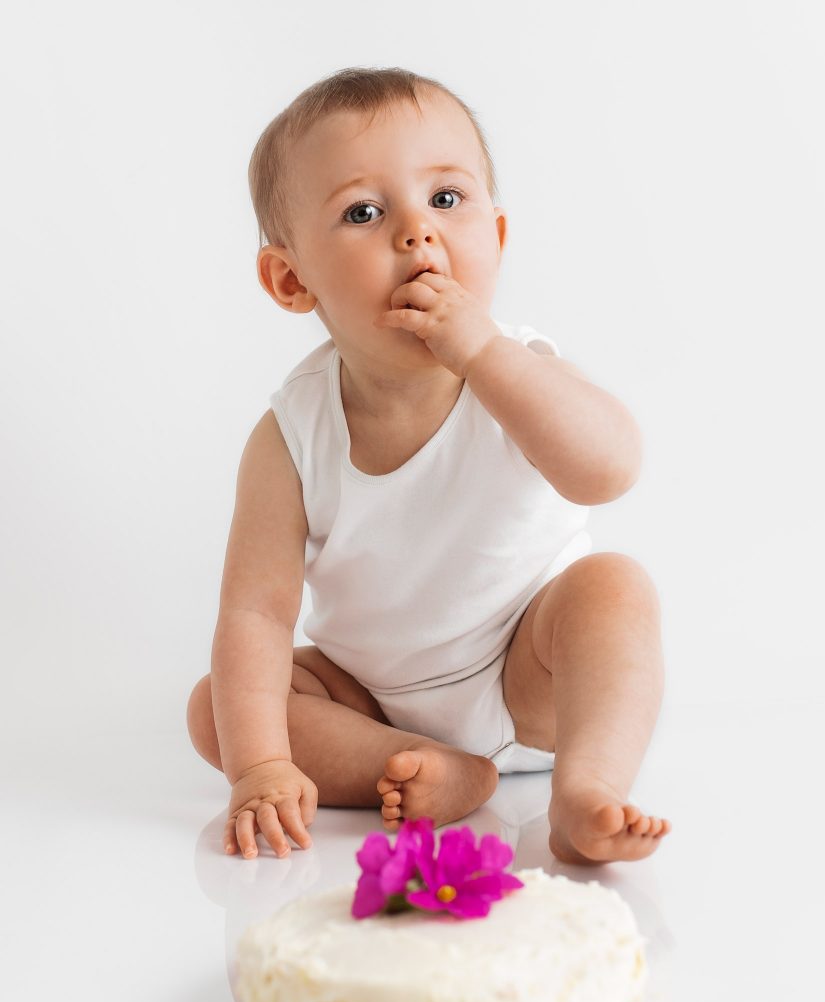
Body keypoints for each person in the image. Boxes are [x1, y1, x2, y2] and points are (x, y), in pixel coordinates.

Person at [186, 66, 670, 866]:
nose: (418, 233)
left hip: (533, 677)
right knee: (220, 711)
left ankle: (587, 788)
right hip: (372, 701)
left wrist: (484, 353)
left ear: (498, 236)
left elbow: (608, 470)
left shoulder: (522, 369)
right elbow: (257, 616)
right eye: (364, 212)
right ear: (291, 279)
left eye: (447, 200)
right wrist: (262, 766)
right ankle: (435, 773)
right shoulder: (291, 434)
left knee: (613, 590)